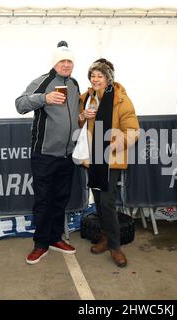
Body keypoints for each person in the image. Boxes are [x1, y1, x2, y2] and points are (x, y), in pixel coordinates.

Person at [16, 41, 80, 264]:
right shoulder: (43, 81)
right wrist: (44, 98)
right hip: (44, 155)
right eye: (62, 61)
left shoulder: (74, 84)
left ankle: (55, 238)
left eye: (69, 61)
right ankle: (40, 244)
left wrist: (83, 118)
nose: (65, 65)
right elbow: (20, 104)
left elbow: (71, 117)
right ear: (55, 63)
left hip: (67, 155)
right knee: (44, 201)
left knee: (60, 199)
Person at [78, 58, 139, 267]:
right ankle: (104, 236)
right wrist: (82, 116)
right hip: (92, 159)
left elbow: (132, 130)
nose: (96, 79)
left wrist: (112, 145)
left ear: (109, 78)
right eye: (93, 75)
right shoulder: (86, 97)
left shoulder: (121, 99)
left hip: (111, 159)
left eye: (100, 76)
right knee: (98, 200)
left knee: (107, 202)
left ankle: (115, 246)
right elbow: (76, 123)